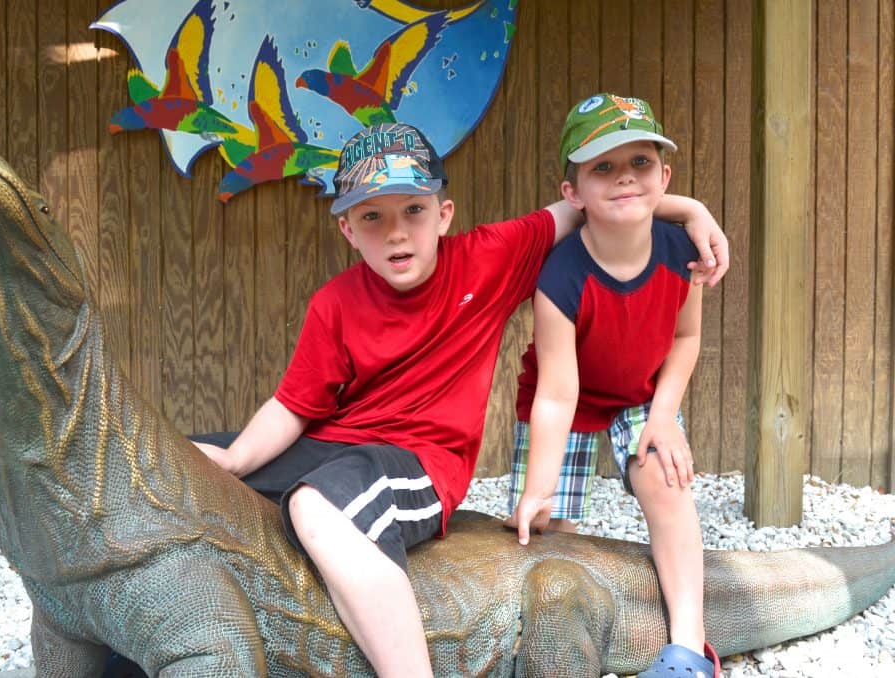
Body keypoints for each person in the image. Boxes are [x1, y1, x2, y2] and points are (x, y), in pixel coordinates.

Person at [186, 122, 728, 677]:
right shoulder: (335, 302)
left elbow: (596, 204)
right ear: (348, 229)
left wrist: (690, 212)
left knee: (315, 504)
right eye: (373, 216)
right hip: (335, 448)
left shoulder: (488, 258)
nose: (397, 233)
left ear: (443, 214)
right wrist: (229, 461)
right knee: (175, 460)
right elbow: (293, 405)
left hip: (420, 458)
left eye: (413, 211)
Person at [506, 94, 721, 678]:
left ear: (664, 175)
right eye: (602, 166)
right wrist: (538, 488)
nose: (625, 175)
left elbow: (686, 340)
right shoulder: (561, 275)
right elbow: (556, 393)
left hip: (641, 395)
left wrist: (662, 419)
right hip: (565, 400)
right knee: (547, 531)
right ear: (572, 191)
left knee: (667, 480)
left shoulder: (685, 254)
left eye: (641, 162)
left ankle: (688, 646)